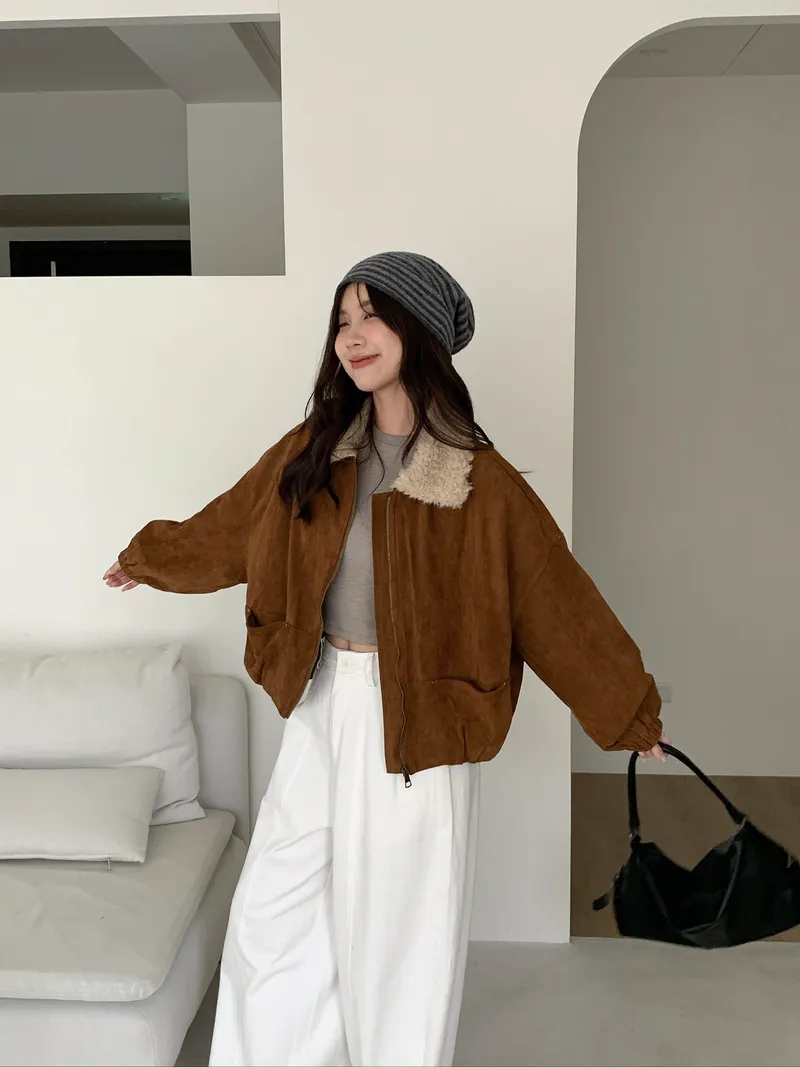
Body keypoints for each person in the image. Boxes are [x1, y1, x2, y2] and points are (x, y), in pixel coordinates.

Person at [104, 251, 668, 1067]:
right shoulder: (318, 451)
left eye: (371, 315)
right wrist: (151, 557)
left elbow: (555, 602)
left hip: (421, 726)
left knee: (400, 944)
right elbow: (234, 525)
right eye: (343, 319)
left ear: (420, 330)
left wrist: (629, 710)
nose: (352, 336)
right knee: (271, 917)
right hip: (322, 701)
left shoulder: (479, 482)